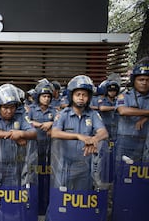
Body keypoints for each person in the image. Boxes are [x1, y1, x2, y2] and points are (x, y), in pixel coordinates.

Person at [46, 75, 109, 221]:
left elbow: (103, 132)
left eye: (85, 95)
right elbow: (55, 132)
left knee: (80, 200)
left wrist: (94, 139)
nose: (81, 98)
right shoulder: (63, 114)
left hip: (84, 167)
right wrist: (79, 136)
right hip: (63, 167)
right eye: (78, 94)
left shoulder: (93, 114)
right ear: (71, 96)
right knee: (60, 200)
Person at [0, 84, 38, 221]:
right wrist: (13, 135)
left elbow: (33, 132)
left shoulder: (20, 115)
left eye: (12, 107)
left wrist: (21, 133)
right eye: (5, 108)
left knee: (11, 197)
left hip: (14, 165)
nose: (9, 111)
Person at [112, 58, 149, 221]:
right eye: (141, 79)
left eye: (148, 80)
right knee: (122, 181)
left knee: (143, 183)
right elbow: (123, 111)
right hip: (125, 145)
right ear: (134, 80)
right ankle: (119, 212)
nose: (145, 83)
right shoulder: (123, 95)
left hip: (145, 147)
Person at [27, 80, 57, 217]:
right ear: (38, 96)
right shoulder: (31, 109)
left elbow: (59, 121)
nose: (46, 99)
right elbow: (26, 121)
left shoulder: (54, 110)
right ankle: (35, 205)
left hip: (50, 148)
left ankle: (47, 205)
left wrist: (50, 122)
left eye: (48, 96)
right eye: (44, 96)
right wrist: (40, 125)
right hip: (34, 148)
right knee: (34, 176)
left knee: (48, 177)